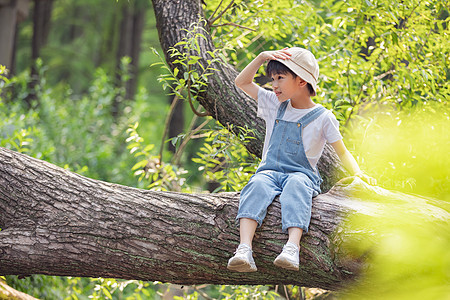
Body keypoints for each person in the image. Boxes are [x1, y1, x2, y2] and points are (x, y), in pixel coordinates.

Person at [227, 47, 376, 272]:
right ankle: (244, 248)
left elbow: (342, 152)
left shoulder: (324, 117)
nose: (273, 84)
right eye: (272, 78)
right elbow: (242, 82)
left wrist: (358, 173)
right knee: (256, 185)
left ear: (302, 80)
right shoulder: (274, 104)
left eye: (280, 78)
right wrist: (262, 57)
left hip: (301, 175)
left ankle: (291, 247)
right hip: (269, 172)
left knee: (297, 186)